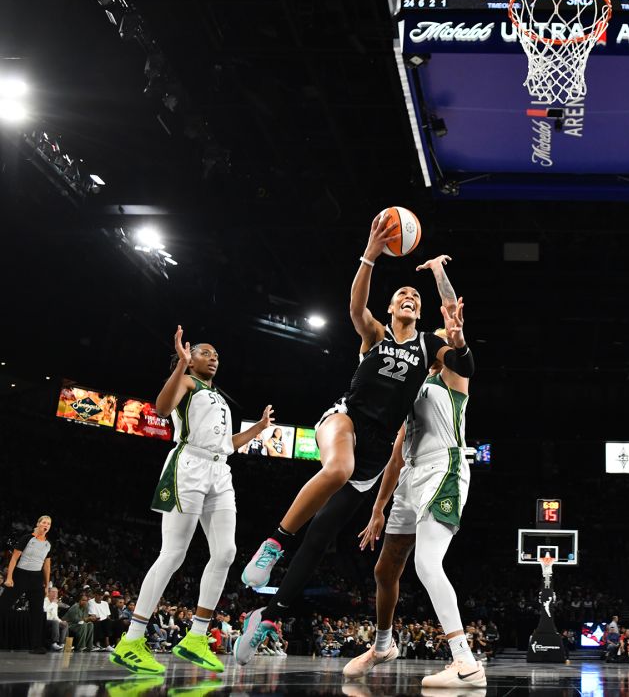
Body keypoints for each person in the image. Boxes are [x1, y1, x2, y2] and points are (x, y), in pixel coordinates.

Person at [235, 224, 474, 665]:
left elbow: (462, 361)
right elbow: (355, 305)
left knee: (323, 535)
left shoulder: (429, 350)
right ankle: (274, 541)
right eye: (403, 293)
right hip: (344, 420)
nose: (409, 297)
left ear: (422, 313)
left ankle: (271, 615)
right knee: (337, 469)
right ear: (390, 306)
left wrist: (455, 336)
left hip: (376, 454)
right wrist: (369, 255)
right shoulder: (376, 335)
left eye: (415, 297)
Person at [345, 255, 484, 688]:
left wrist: (441, 276)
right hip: (409, 478)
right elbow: (397, 452)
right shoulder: (408, 384)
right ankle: (383, 645)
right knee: (386, 570)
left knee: (427, 563)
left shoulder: (452, 379)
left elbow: (464, 359)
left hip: (445, 466)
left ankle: (466, 663)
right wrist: (379, 507)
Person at [109, 326, 274, 675]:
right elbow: (161, 406)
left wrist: (258, 429)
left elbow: (227, 444)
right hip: (189, 465)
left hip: (220, 470)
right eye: (205, 353)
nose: (213, 358)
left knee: (226, 552)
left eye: (216, 355)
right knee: (173, 554)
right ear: (189, 356)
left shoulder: (220, 399)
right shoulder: (185, 381)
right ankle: (131, 640)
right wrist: (180, 366)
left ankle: (196, 637)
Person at [0, 515, 52, 654]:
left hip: (36, 579)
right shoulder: (27, 538)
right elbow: (14, 558)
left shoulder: (48, 544)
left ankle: (36, 646)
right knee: (3, 605)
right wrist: (9, 577)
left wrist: (46, 585)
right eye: (44, 522)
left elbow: (46, 566)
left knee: (37, 613)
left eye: (48, 524)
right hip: (20, 574)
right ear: (38, 524)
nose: (46, 525)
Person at [44, 587, 67, 651]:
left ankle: (61, 643)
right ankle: (54, 643)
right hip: (44, 621)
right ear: (48, 593)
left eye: (56, 592)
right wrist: (52, 603)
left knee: (64, 624)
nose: (55, 594)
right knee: (55, 622)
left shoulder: (55, 604)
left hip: (52, 622)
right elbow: (44, 611)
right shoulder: (44, 600)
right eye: (53, 592)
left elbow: (55, 616)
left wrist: (61, 621)